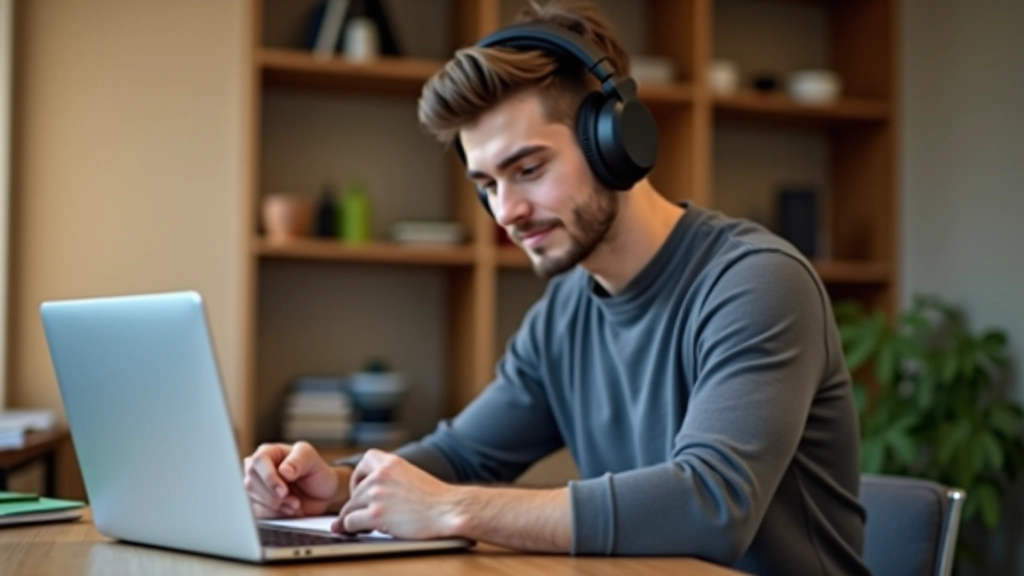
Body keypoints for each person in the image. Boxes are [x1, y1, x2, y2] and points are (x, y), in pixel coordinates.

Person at [244, 2, 870, 574]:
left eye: (529, 169)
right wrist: (341, 481)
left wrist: (455, 509)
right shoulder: (566, 312)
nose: (506, 212)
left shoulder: (756, 281)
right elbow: (463, 454)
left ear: (615, 142)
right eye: (487, 184)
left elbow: (711, 505)